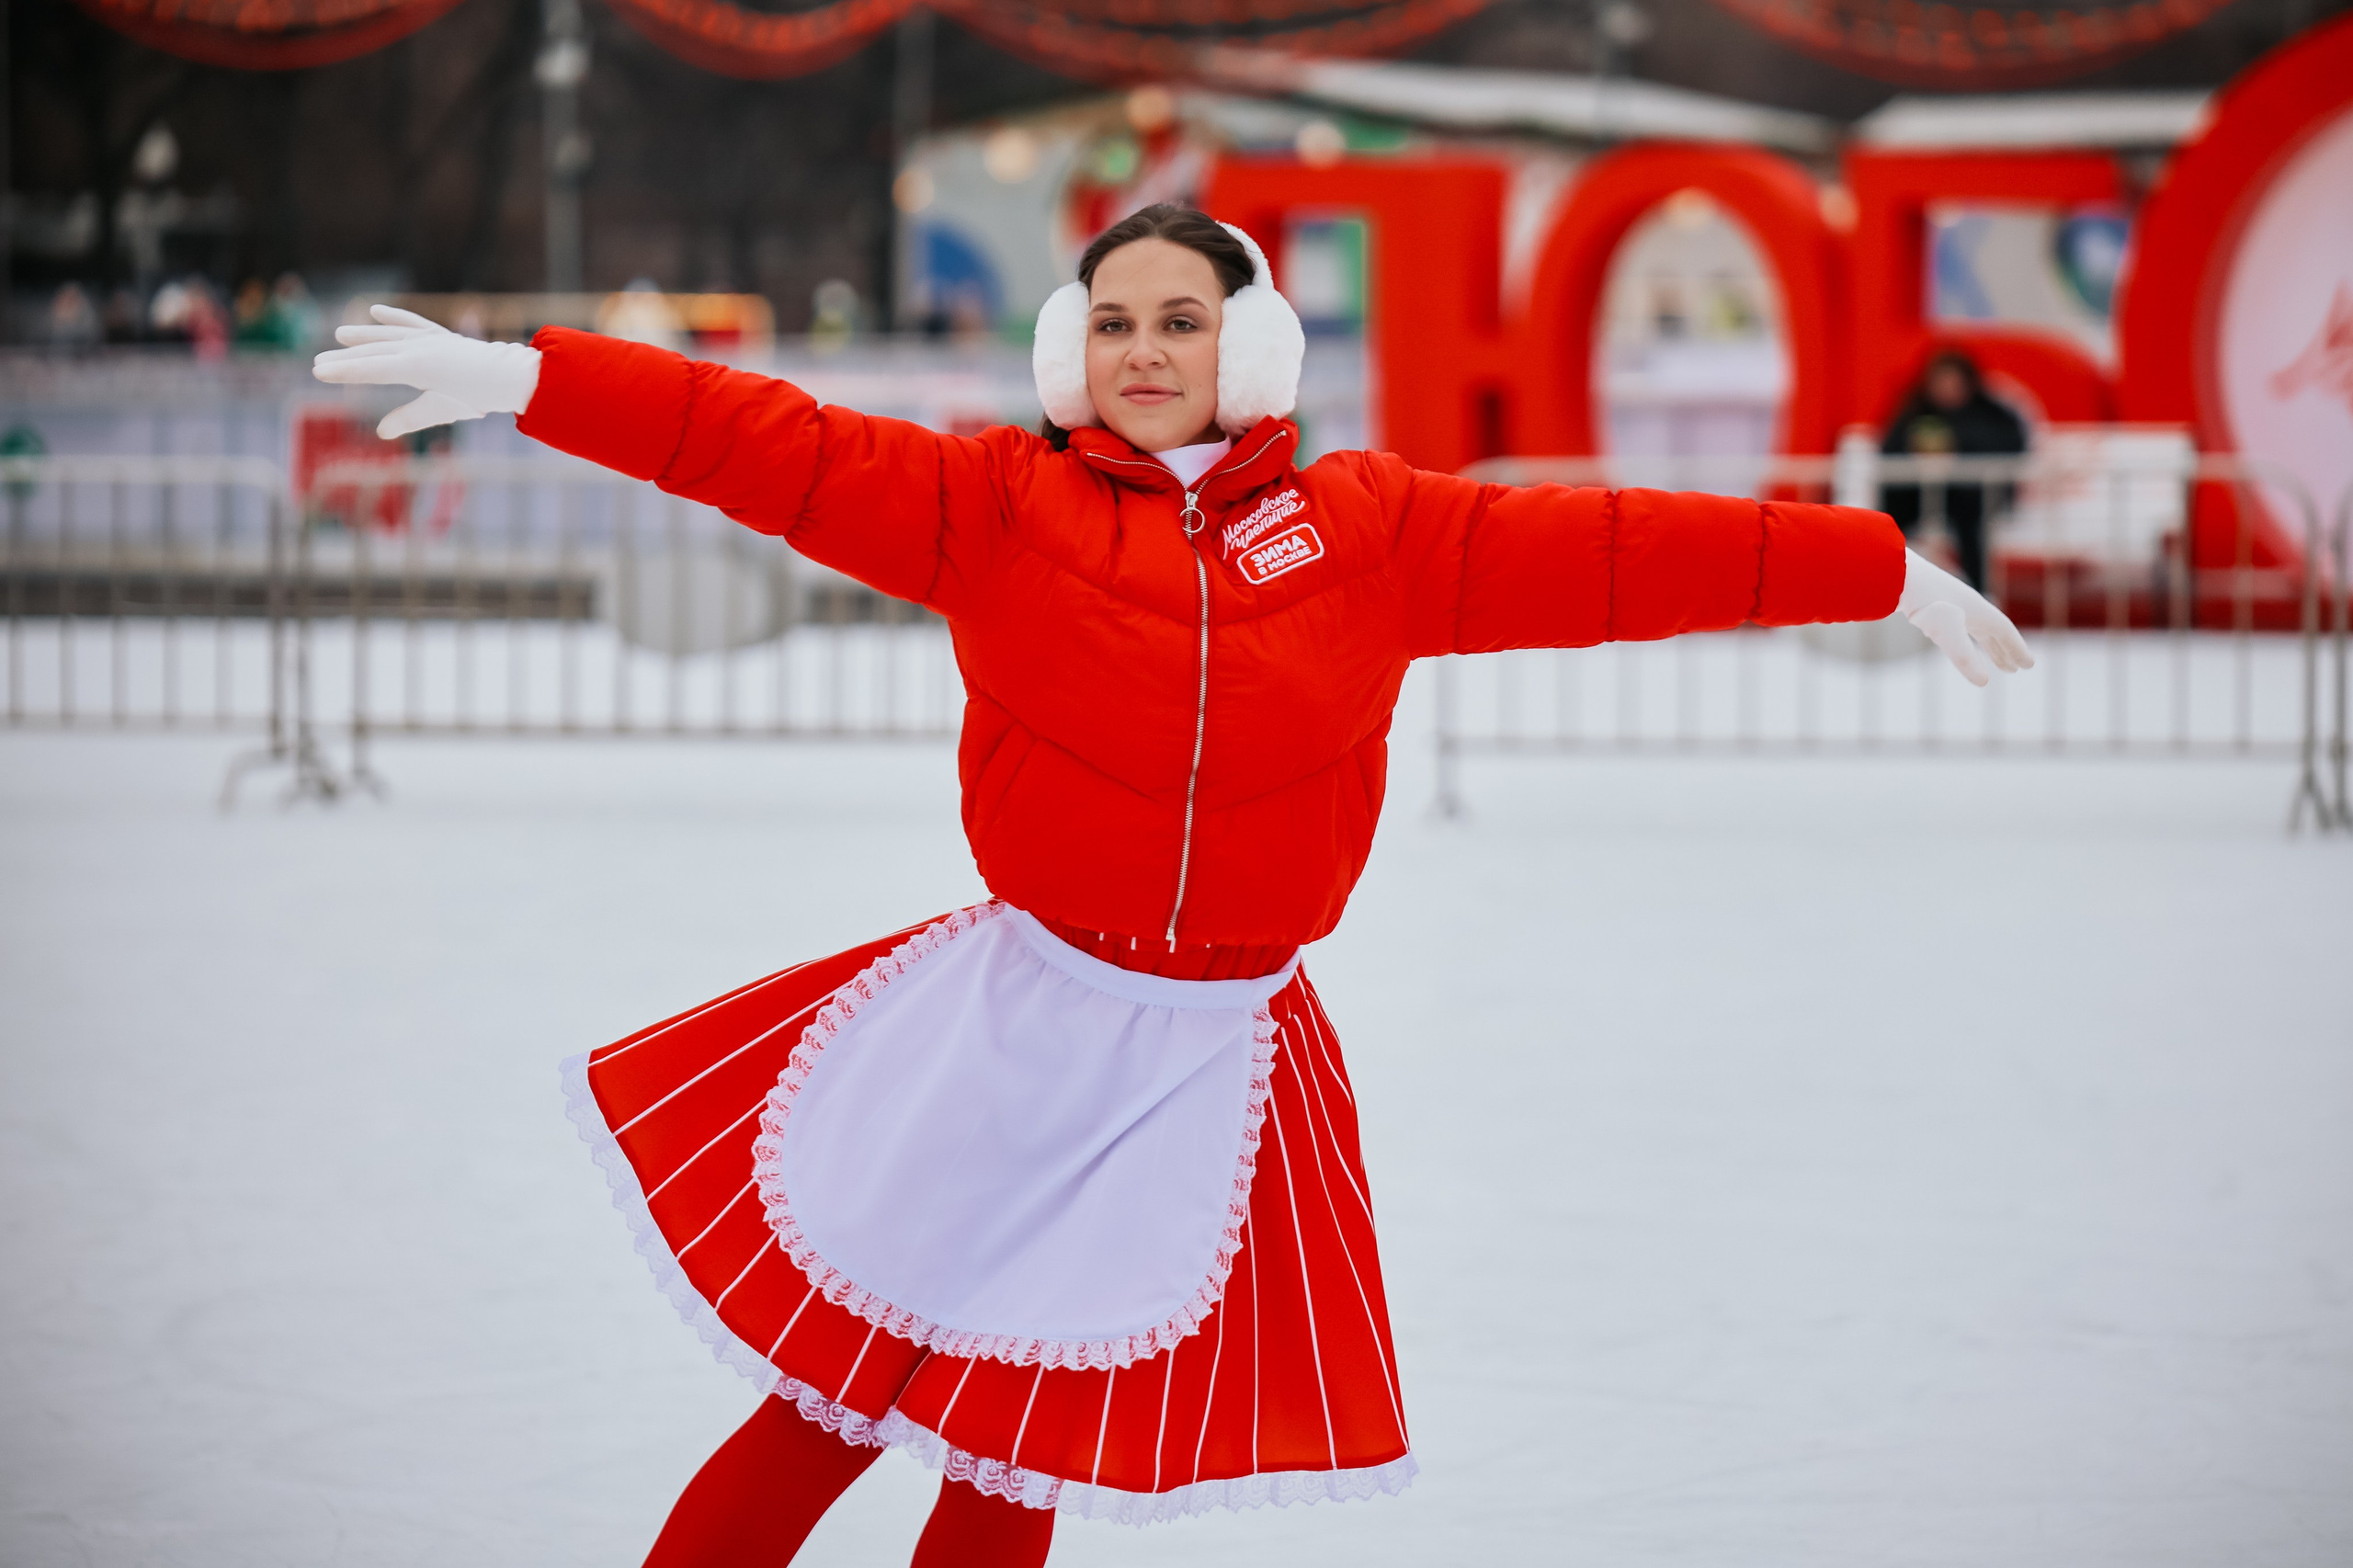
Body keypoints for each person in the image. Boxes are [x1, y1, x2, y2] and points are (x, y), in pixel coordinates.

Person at [313, 203, 2030, 1567]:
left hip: (1202, 1061)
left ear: (1251, 345)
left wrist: (1877, 567)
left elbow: (1617, 548)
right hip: (1016, 1034)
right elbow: (775, 444)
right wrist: (536, 378)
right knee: (831, 1407)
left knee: (1016, 1439)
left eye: (1183, 320)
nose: (1146, 350)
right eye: (1116, 320)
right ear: (1072, 351)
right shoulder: (998, 506)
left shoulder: (1374, 530)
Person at [1878, 348, 2029, 594]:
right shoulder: (1914, 412)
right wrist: (1915, 448)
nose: (1947, 389)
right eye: (1941, 382)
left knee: (1971, 526)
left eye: (1954, 382)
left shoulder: (1990, 413)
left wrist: (1958, 444)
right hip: (1917, 495)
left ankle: (1980, 594)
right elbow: (1889, 450)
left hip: (1971, 499)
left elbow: (2012, 446)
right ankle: (1888, 587)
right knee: (1890, 524)